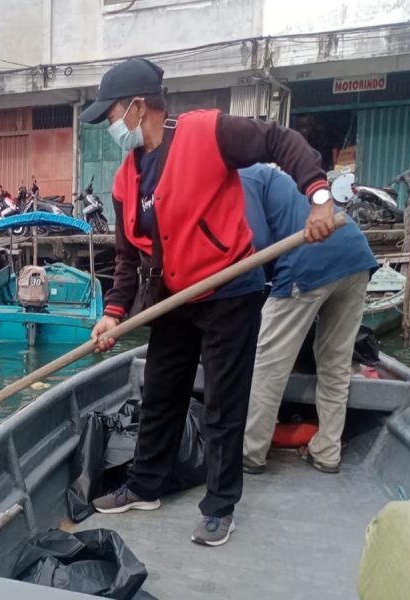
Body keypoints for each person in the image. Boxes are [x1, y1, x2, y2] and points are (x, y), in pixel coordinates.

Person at [82, 57, 335, 547]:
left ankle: (220, 507)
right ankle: (144, 486)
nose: (110, 127)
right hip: (173, 298)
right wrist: (113, 314)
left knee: (223, 405)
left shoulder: (207, 133)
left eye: (111, 116)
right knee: (159, 395)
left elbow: (278, 141)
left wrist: (319, 194)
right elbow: (128, 258)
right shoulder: (124, 181)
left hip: (229, 292)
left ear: (138, 107)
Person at [240, 164, 377, 475]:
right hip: (355, 254)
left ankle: (250, 452)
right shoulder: (278, 178)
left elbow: (258, 241)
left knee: (269, 363)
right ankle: (327, 452)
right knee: (336, 363)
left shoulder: (242, 176)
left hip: (308, 258)